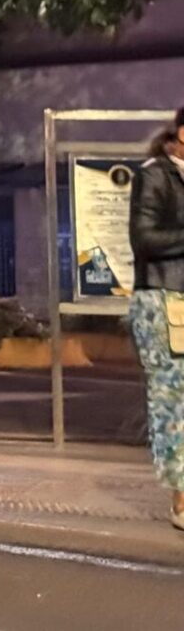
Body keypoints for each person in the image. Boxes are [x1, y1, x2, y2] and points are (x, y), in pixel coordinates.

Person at [127, 111, 184, 529]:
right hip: (166, 302)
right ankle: (181, 500)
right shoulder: (155, 175)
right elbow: (144, 239)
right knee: (173, 404)